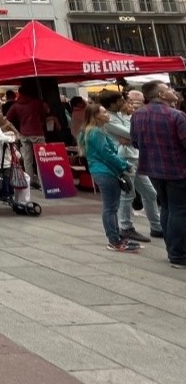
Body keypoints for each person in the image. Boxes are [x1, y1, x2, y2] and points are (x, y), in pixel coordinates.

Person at [131, 80, 186, 269]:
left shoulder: (137, 115)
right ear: (161, 95)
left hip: (153, 168)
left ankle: (173, 250)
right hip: (178, 169)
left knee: (167, 207)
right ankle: (178, 254)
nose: (173, 91)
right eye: (168, 89)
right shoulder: (176, 115)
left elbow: (135, 142)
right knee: (179, 209)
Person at [79, 102, 137, 252]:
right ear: (95, 116)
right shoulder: (95, 132)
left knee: (111, 206)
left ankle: (116, 236)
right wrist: (125, 165)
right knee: (110, 207)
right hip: (106, 172)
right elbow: (107, 154)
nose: (107, 115)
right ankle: (114, 239)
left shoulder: (92, 131)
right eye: (104, 112)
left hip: (102, 171)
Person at [103, 91, 159, 244]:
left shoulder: (123, 115)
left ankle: (156, 225)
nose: (124, 102)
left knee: (150, 193)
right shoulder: (108, 119)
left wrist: (130, 130)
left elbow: (132, 132)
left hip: (135, 156)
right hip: (124, 159)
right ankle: (126, 226)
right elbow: (132, 132)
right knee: (127, 194)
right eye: (120, 100)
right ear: (112, 103)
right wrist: (131, 134)